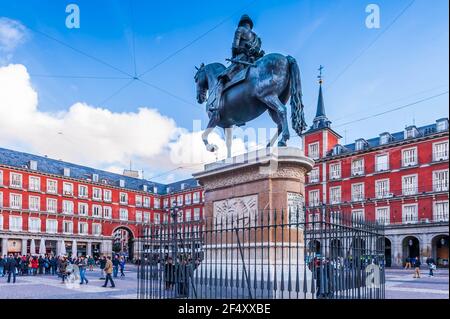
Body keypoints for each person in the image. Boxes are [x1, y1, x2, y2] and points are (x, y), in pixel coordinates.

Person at [208, 14, 264, 121]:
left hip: (241, 60)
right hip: (253, 62)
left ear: (242, 23)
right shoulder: (257, 38)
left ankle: (215, 106)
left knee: (221, 78)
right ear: (250, 24)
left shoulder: (240, 30)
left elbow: (235, 46)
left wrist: (234, 56)